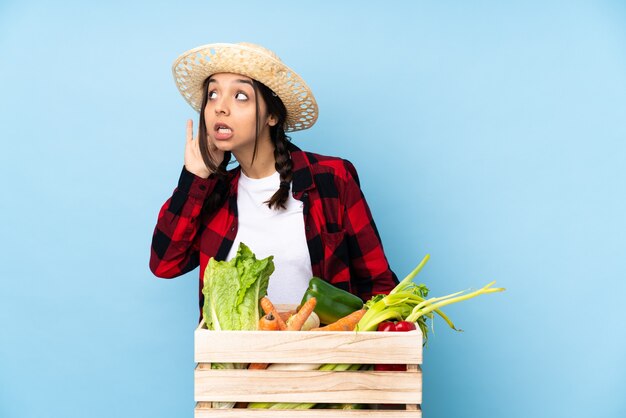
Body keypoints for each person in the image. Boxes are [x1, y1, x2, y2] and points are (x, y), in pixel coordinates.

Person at [149, 42, 398, 314]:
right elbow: (164, 264)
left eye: (240, 96)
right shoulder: (211, 193)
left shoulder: (332, 179)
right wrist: (193, 178)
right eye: (212, 94)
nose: (220, 107)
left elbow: (378, 285)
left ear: (272, 115)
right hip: (236, 357)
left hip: (322, 355)